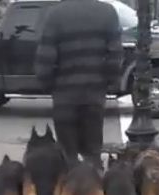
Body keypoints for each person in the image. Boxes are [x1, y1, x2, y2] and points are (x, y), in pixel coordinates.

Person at [35, 0, 123, 169]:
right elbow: (115, 54)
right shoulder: (107, 12)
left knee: (68, 153)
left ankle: (71, 186)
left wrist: (47, 82)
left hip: (64, 94)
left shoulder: (56, 14)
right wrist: (110, 81)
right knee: (93, 149)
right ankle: (93, 182)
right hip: (94, 93)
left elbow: (46, 56)